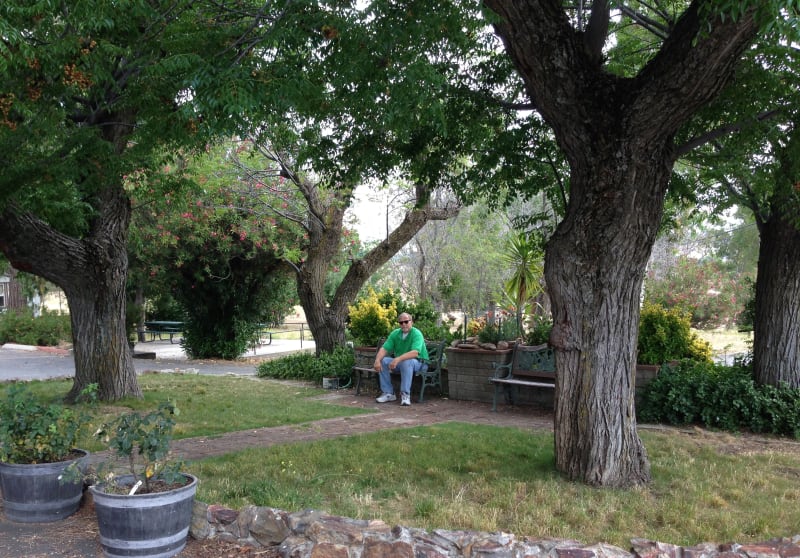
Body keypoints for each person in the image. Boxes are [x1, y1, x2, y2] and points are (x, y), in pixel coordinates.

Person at [372, 312, 429, 406]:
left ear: (412, 322)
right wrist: (377, 360)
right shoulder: (395, 333)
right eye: (401, 323)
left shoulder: (416, 333)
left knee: (406, 362)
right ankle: (388, 393)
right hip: (402, 362)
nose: (404, 324)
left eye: (406, 322)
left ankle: (405, 394)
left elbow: (415, 353)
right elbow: (384, 348)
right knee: (383, 361)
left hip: (420, 363)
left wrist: (397, 359)